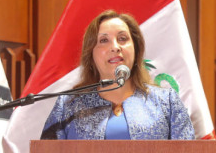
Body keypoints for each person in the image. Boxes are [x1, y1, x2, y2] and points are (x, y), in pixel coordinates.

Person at [41, 10, 195, 140]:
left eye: (122, 39)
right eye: (103, 40)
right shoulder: (69, 105)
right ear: (91, 54)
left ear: (136, 48)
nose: (115, 47)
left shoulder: (166, 102)